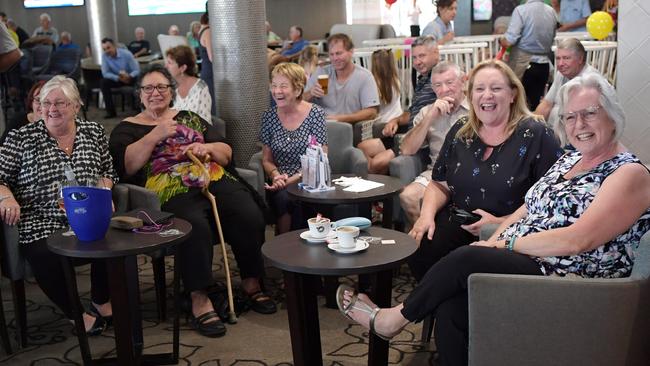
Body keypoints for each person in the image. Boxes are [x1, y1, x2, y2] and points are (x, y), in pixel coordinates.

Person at [337, 72, 650, 366]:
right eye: (570, 116)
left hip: (573, 281)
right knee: (452, 303)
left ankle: (394, 319)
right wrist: (501, 232)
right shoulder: (571, 158)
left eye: (590, 113)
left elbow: (578, 239)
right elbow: (529, 206)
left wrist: (507, 243)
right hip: (537, 258)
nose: (579, 123)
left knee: (464, 258)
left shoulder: (628, 172)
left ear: (612, 115)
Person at [109, 65, 276, 338]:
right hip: (169, 188)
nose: (155, 93)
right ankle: (198, 296)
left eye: (162, 87)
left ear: (171, 92)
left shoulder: (190, 117)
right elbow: (126, 167)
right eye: (148, 88)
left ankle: (251, 282)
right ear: (139, 94)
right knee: (194, 225)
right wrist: (155, 135)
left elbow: (225, 150)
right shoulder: (127, 128)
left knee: (248, 213)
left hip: (212, 176)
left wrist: (207, 148)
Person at [406, 59, 564, 281]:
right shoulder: (461, 131)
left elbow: (550, 202)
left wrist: (500, 222)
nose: (486, 95)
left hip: (510, 229)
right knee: (421, 248)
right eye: (479, 89)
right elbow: (438, 183)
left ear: (513, 95)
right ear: (471, 95)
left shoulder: (537, 134)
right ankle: (441, 311)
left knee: (462, 265)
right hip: (458, 220)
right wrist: (426, 216)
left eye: (496, 88)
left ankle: (411, 313)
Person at [0, 76, 117, 336]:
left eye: (60, 103)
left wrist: (104, 191)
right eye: (45, 103)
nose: (51, 109)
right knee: (44, 253)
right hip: (41, 219)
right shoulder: (21, 138)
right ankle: (76, 314)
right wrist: (6, 197)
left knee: (110, 237)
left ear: (76, 106)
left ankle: (101, 299)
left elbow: (108, 170)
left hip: (87, 213)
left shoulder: (94, 132)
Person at [351, 36, 439, 174]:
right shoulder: (422, 79)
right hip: (405, 133)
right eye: (414, 57)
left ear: (436, 53)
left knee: (375, 164)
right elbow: (411, 111)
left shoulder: (440, 79)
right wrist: (396, 120)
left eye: (422, 56)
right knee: (361, 147)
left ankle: (383, 188)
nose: (417, 62)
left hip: (420, 140)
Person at [399, 61, 469, 228]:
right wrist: (430, 116)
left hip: (470, 172)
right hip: (437, 173)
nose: (444, 90)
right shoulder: (427, 111)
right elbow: (406, 149)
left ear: (462, 82)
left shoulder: (477, 108)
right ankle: (426, 242)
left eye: (449, 83)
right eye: (438, 85)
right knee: (408, 196)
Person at [260, 63, 328, 233]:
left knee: (297, 198)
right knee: (284, 197)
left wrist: (293, 179)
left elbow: (321, 157)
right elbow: (266, 160)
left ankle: (308, 248)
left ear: (297, 90)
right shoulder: (269, 117)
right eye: (274, 86)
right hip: (281, 179)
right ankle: (285, 250)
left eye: (283, 86)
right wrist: (276, 176)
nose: (277, 91)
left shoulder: (316, 114)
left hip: (311, 177)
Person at [304, 33, 379, 124]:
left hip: (351, 128)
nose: (335, 58)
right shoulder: (321, 72)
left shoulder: (365, 77)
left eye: (339, 53)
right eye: (331, 54)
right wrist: (310, 93)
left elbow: (372, 112)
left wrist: (343, 119)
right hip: (323, 127)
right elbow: (299, 102)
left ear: (351, 52)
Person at [534, 38, 597, 141]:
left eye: (566, 58)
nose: (560, 64)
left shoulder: (590, 80)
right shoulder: (562, 74)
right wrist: (530, 128)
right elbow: (546, 105)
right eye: (558, 58)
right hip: (552, 134)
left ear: (580, 59)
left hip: (574, 139)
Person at [500, 0, 557, 110]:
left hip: (524, 65)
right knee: (535, 106)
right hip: (544, 65)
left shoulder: (521, 10)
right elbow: (553, 36)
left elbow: (509, 41)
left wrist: (501, 40)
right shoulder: (552, 11)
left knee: (517, 107)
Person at [357, 49, 403, 174]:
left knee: (360, 151)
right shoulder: (396, 81)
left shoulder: (374, 85)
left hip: (382, 129)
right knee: (368, 157)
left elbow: (369, 111)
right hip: (396, 127)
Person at [165, 45, 212, 122]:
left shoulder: (201, 88)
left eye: (170, 63)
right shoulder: (172, 87)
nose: (166, 66)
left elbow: (205, 124)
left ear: (183, 68)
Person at [100, 37, 140, 119]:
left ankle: (139, 109)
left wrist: (129, 76)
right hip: (118, 79)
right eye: (104, 49)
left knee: (139, 80)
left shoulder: (127, 54)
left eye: (108, 48)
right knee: (104, 82)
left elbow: (136, 70)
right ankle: (111, 112)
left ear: (114, 46)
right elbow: (105, 73)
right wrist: (117, 78)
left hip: (131, 77)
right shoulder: (104, 56)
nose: (107, 51)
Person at [198, 11, 216, 115]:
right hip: (210, 73)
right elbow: (212, 57)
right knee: (214, 107)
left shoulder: (202, 28)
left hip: (206, 71)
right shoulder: (208, 31)